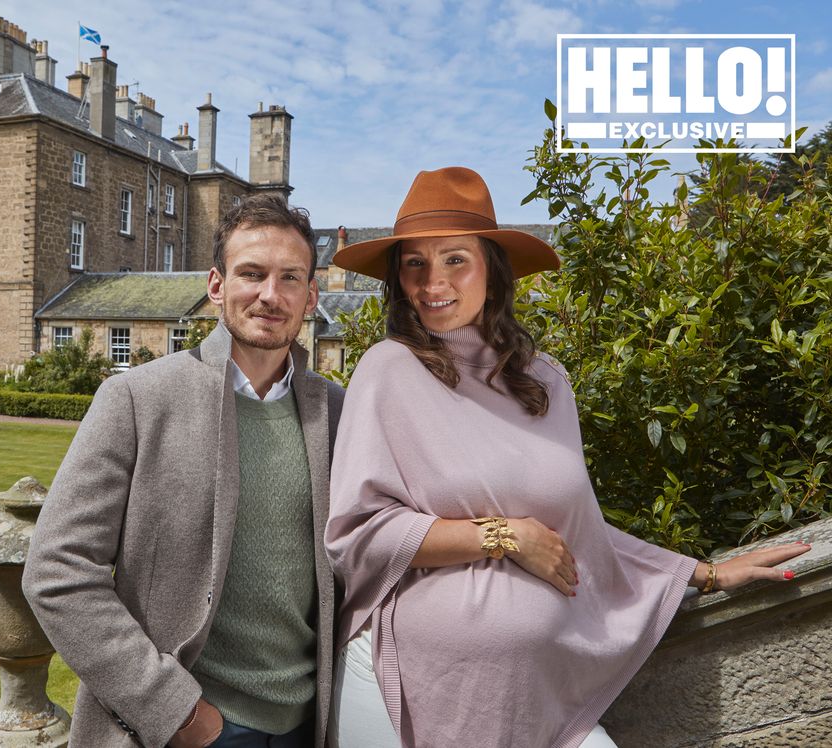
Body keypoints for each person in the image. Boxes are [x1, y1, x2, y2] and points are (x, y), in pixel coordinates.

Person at [323, 167, 811, 748]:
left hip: (535, 694)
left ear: (492, 268)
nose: (434, 282)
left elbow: (579, 530)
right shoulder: (389, 369)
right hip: (402, 689)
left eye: (455, 259)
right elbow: (357, 536)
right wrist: (503, 535)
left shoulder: (545, 380)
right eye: (415, 263)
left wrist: (703, 574)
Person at [23, 194, 345, 748]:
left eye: (290, 278)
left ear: (311, 296)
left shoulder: (337, 411)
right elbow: (56, 570)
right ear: (217, 286)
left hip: (307, 725)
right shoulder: (135, 399)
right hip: (185, 728)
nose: (271, 294)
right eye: (252, 274)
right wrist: (177, 714)